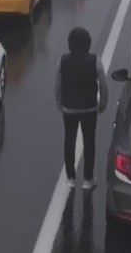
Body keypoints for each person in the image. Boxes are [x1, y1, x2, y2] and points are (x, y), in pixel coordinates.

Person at [54, 26, 110, 189]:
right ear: (88, 43)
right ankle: (88, 178)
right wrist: (102, 105)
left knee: (69, 140)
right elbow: (104, 87)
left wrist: (59, 104)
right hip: (89, 109)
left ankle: (70, 177)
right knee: (89, 140)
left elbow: (57, 86)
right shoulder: (95, 61)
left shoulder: (62, 61)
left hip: (69, 109)